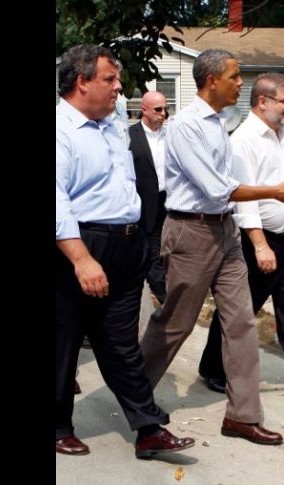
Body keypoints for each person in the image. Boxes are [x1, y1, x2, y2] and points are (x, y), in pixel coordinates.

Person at [139, 49, 284, 446]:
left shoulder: (220, 123)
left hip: (226, 233)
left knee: (241, 323)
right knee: (176, 323)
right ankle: (136, 393)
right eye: (235, 76)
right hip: (191, 233)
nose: (241, 83)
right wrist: (274, 193)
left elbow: (231, 189)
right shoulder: (185, 127)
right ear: (212, 80)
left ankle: (242, 416)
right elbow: (217, 188)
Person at [56, 44, 195, 458]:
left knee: (121, 342)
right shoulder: (60, 130)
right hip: (80, 246)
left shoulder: (113, 124)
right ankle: (59, 425)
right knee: (63, 342)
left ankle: (148, 428)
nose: (120, 87)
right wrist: (81, 259)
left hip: (126, 244)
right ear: (82, 82)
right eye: (109, 79)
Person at [197, 73, 284, 404]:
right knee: (240, 311)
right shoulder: (243, 141)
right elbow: (241, 199)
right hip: (256, 242)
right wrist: (260, 245)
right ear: (263, 102)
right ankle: (214, 369)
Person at [129, 91, 169, 304]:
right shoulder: (130, 136)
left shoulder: (170, 135)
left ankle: (166, 288)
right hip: (145, 202)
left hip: (169, 201)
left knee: (167, 247)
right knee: (152, 247)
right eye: (158, 109)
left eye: (165, 109)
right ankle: (163, 294)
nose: (163, 114)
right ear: (144, 110)